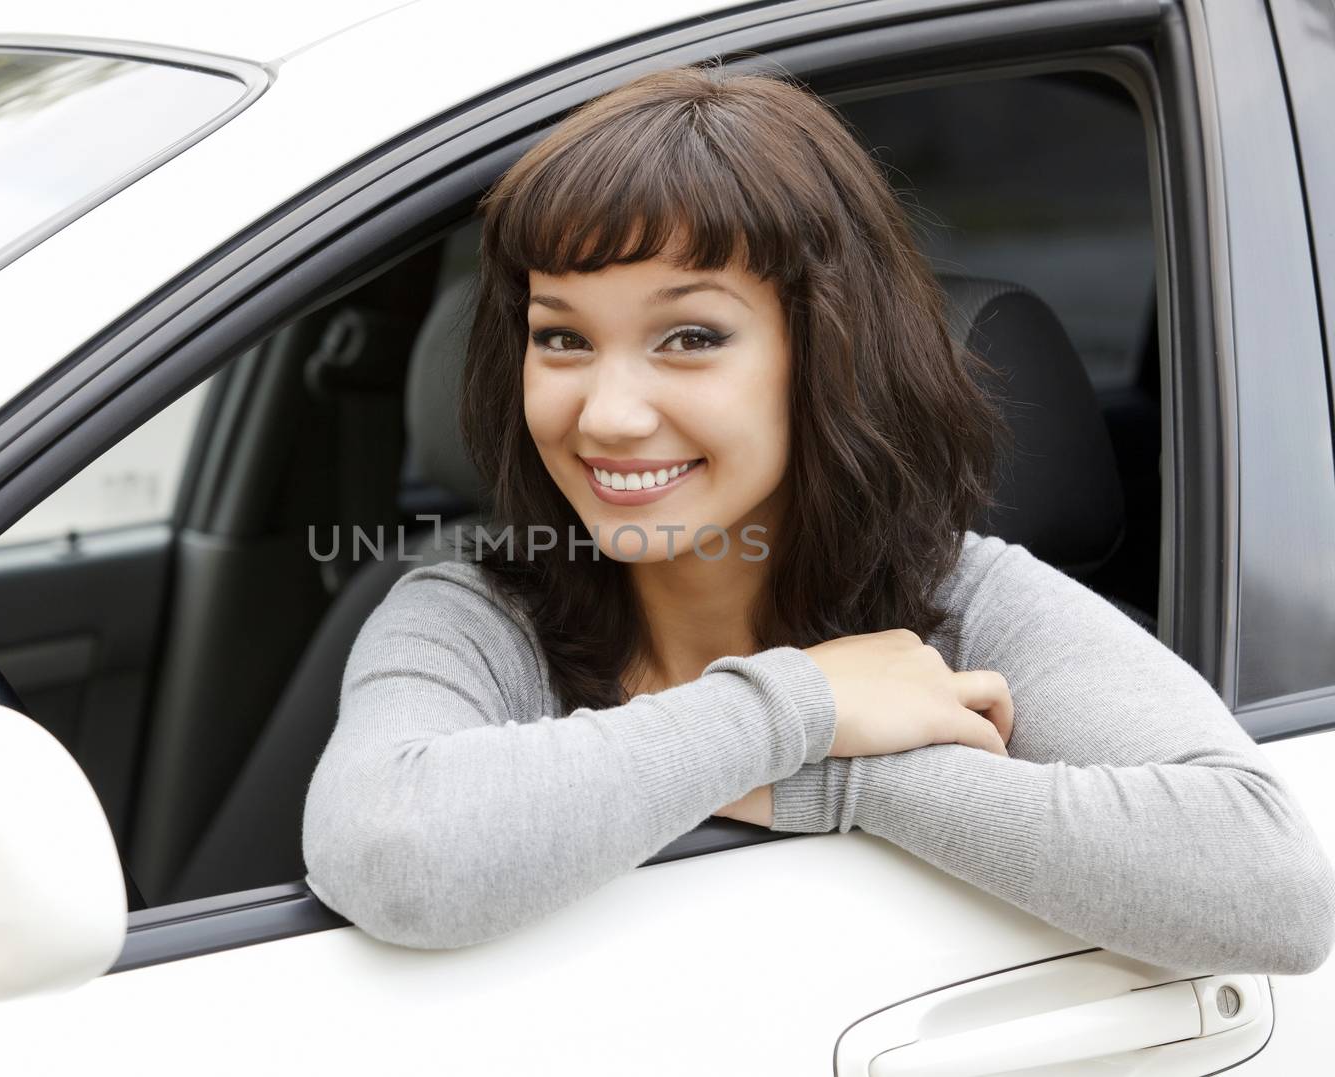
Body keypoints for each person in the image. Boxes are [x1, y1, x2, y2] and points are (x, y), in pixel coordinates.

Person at [300, 64, 1335, 968]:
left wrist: (825, 785)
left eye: (690, 336)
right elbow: (392, 853)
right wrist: (793, 712)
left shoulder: (964, 605)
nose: (607, 415)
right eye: (561, 340)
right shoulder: (474, 613)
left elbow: (1269, 885)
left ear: (824, 356)